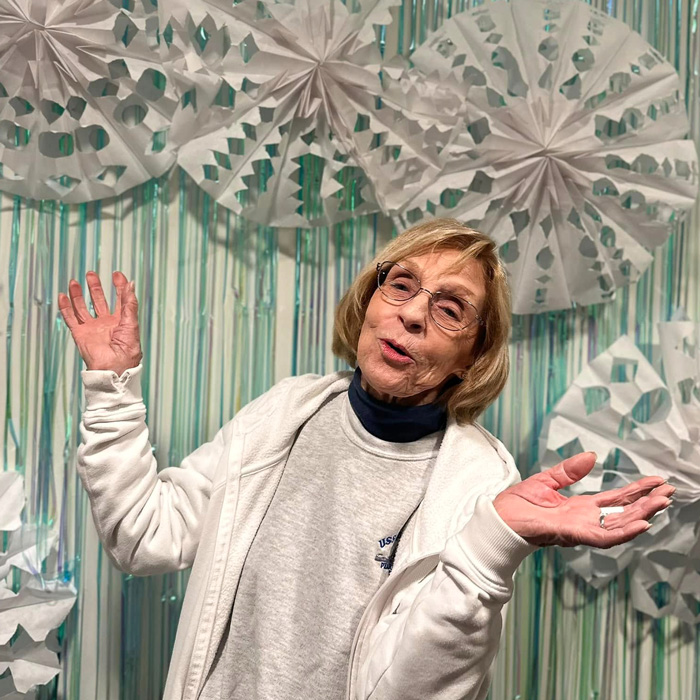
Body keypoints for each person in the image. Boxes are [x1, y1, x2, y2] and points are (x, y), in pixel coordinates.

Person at [58, 219, 673, 700]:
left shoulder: (481, 482)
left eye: (450, 308)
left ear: (472, 357)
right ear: (371, 300)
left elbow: (416, 692)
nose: (411, 313)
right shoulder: (286, 411)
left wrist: (492, 545)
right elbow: (145, 537)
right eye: (401, 284)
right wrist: (112, 388)